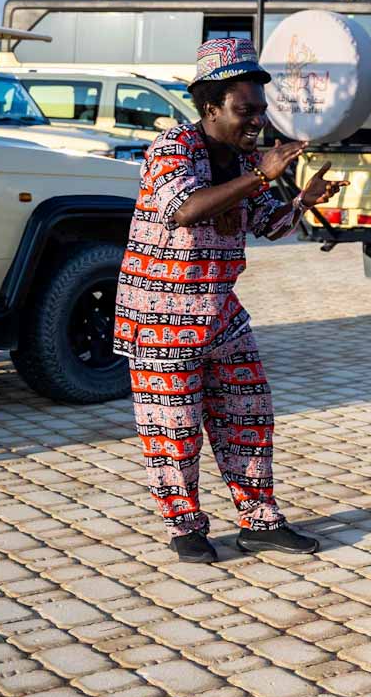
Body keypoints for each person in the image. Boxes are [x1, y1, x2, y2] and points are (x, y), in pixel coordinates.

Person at [118, 38, 346, 563]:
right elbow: (184, 209)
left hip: (219, 310)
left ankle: (259, 521)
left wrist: (302, 200)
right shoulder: (172, 149)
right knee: (173, 430)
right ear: (210, 108)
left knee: (249, 413)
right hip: (161, 315)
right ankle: (185, 527)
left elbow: (269, 224)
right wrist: (260, 174)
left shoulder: (244, 159)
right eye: (246, 110)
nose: (257, 121)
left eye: (261, 110)